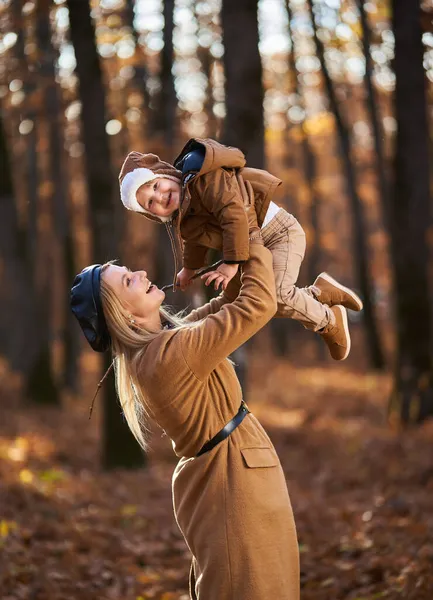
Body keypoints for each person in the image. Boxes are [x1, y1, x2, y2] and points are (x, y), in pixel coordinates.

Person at [70, 209, 300, 599]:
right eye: (129, 280)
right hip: (233, 485)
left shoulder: (163, 345)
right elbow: (256, 306)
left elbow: (225, 305)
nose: (142, 273)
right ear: (122, 312)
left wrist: (232, 257)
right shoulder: (168, 356)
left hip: (235, 475)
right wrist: (251, 230)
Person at [118, 138, 363, 361]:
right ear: (151, 214)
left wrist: (231, 263)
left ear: (167, 175)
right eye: (150, 202)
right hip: (250, 246)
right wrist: (189, 268)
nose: (160, 197)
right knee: (236, 299)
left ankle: (329, 321)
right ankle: (319, 293)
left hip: (278, 233)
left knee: (274, 295)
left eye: (156, 186)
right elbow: (195, 241)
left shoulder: (205, 180)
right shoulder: (185, 215)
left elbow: (234, 216)